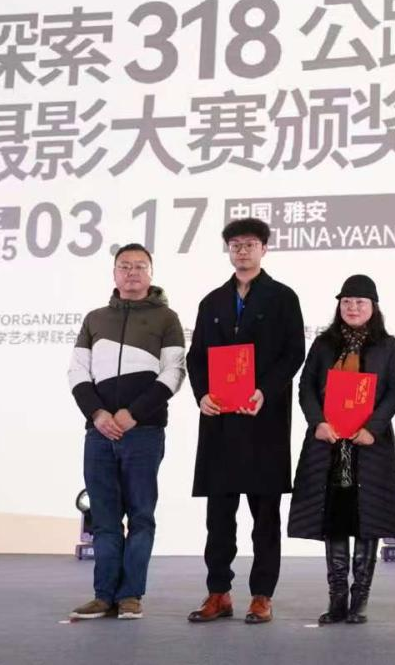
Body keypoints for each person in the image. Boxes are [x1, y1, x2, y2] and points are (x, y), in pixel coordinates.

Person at [185, 218, 305, 625]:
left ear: (264, 249)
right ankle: (218, 593)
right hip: (220, 423)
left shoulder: (283, 297)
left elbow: (293, 353)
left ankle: (261, 595)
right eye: (235, 244)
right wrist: (202, 394)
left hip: (263, 420)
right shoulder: (212, 301)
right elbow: (196, 357)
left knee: (265, 517)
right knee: (219, 517)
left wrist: (264, 391)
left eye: (250, 244)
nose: (242, 251)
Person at [67, 243, 186, 620]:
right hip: (99, 434)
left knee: (141, 516)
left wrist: (133, 414)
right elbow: (77, 371)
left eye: (139, 266)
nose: (132, 272)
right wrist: (98, 413)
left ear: (151, 273)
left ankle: (131, 595)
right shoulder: (95, 318)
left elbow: (174, 371)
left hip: (144, 431)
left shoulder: (166, 318)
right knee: (104, 518)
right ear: (114, 273)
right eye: (125, 266)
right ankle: (104, 595)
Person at [288, 274, 395, 625]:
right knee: (335, 517)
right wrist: (317, 422)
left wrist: (373, 428)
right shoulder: (324, 344)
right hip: (329, 443)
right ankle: (337, 598)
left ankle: (360, 600)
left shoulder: (388, 346)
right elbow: (306, 386)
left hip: (370, 445)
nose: (353, 308)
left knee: (367, 518)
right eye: (347, 302)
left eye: (360, 302)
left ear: (373, 307)